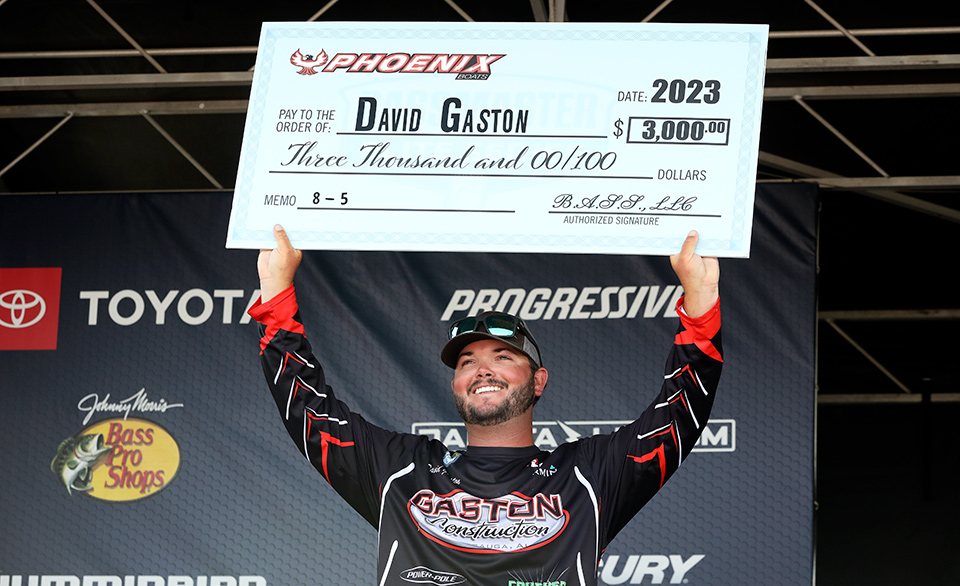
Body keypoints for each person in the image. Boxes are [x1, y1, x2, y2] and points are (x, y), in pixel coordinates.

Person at [249, 225, 721, 586]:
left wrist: (700, 302)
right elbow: (310, 412)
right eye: (467, 361)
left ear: (538, 381)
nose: (482, 370)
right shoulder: (401, 470)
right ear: (456, 384)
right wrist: (276, 289)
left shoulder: (589, 476)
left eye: (503, 356)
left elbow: (678, 415)